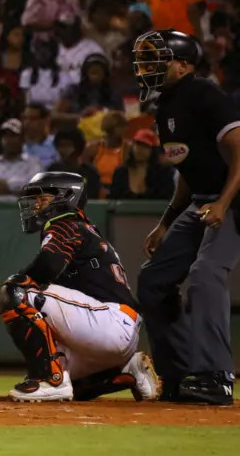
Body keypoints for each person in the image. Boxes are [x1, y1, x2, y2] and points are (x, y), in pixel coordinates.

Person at [134, 29, 240, 405]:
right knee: (153, 280)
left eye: (155, 59)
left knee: (206, 274)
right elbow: (189, 171)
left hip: (234, 198)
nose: (147, 67)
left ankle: (216, 377)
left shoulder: (204, 94)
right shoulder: (165, 108)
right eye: (145, 60)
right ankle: (178, 375)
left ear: (182, 65)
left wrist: (224, 204)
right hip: (202, 200)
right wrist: (166, 221)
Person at [0, 172, 158, 402]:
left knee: (15, 292)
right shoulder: (82, 226)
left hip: (108, 322)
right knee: (76, 388)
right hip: (110, 328)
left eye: (42, 197)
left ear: (65, 197)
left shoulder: (66, 221)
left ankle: (50, 380)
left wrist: (17, 282)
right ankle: (129, 371)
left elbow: (48, 265)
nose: (36, 204)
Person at [0, 119, 42, 201]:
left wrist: (8, 186)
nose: (8, 140)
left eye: (13, 136)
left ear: (23, 139)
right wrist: (0, 190)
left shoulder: (33, 163)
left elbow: (36, 189)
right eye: (5, 136)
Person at [109, 128, 175, 200]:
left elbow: (165, 198)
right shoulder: (121, 172)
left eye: (145, 146)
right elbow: (113, 198)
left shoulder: (163, 173)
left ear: (153, 150)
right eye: (137, 144)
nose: (139, 149)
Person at [47, 128, 102, 199]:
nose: (63, 150)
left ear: (78, 147)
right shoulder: (52, 170)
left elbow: (92, 198)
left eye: (67, 145)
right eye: (60, 146)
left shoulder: (90, 172)